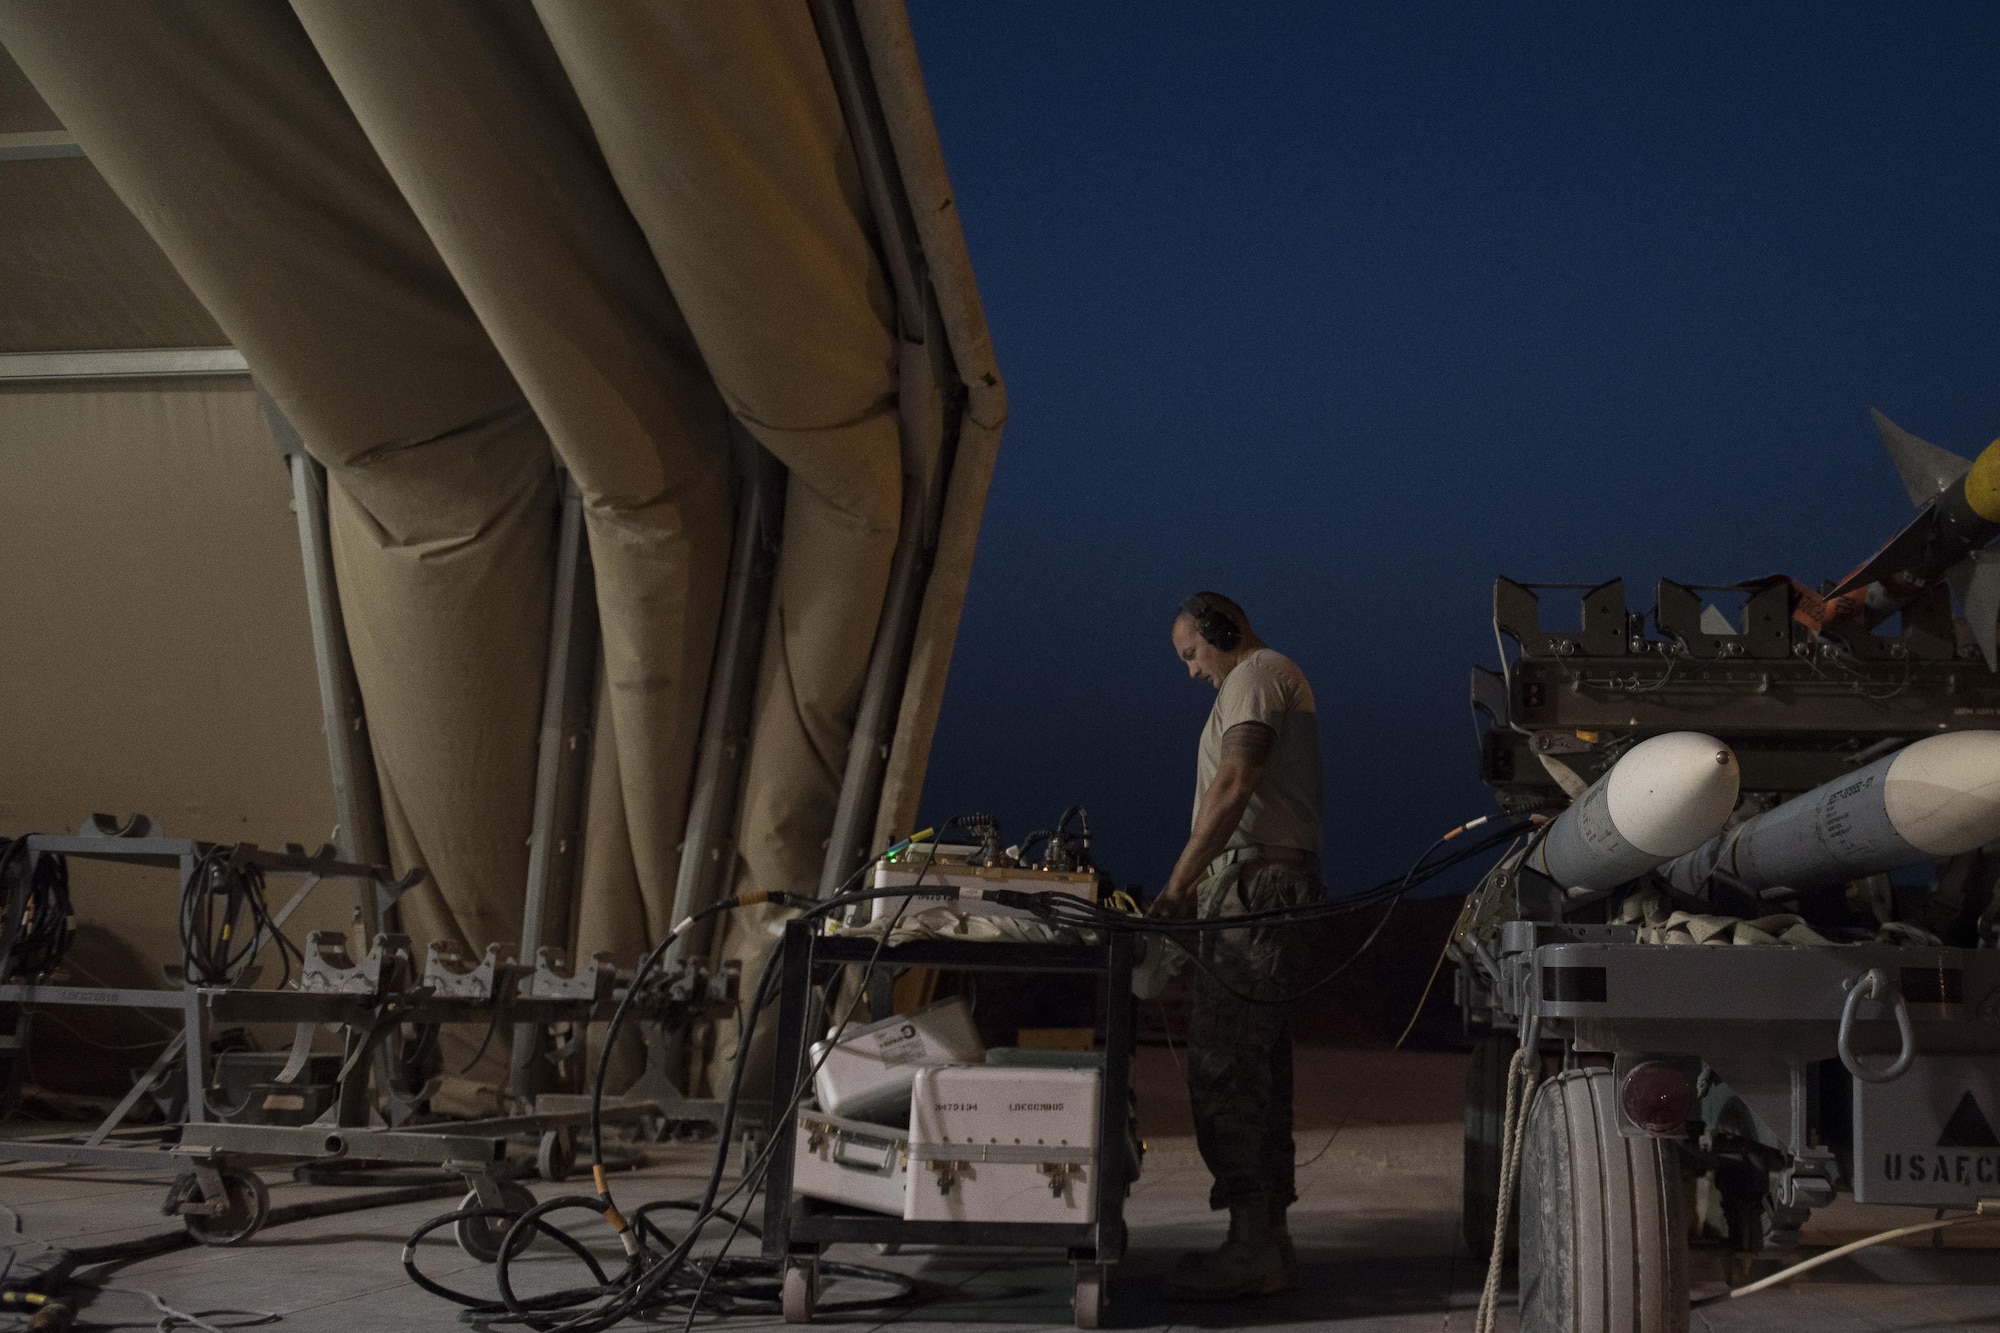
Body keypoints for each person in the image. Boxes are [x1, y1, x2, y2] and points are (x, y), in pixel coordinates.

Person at [1150, 591, 1324, 1301]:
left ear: (1223, 630)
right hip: (1261, 888)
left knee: (1226, 1065)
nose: (1191, 670)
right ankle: (1265, 1241)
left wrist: (1177, 886)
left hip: (1256, 891)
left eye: (1192, 652)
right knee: (1258, 1068)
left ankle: (1252, 1245)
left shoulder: (1255, 676)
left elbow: (1234, 782)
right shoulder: (1269, 676)